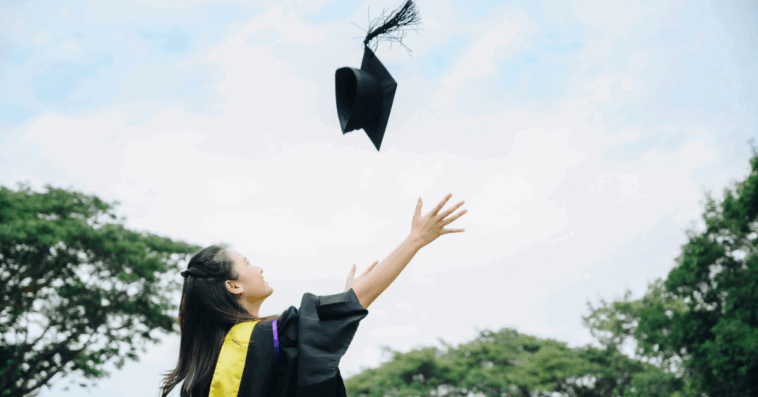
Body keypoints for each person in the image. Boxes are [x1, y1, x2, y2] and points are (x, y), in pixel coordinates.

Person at [159, 193, 467, 397]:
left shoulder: (203, 374)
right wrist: (416, 240)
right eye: (248, 264)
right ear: (234, 286)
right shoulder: (268, 336)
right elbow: (352, 305)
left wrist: (347, 299)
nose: (259, 268)